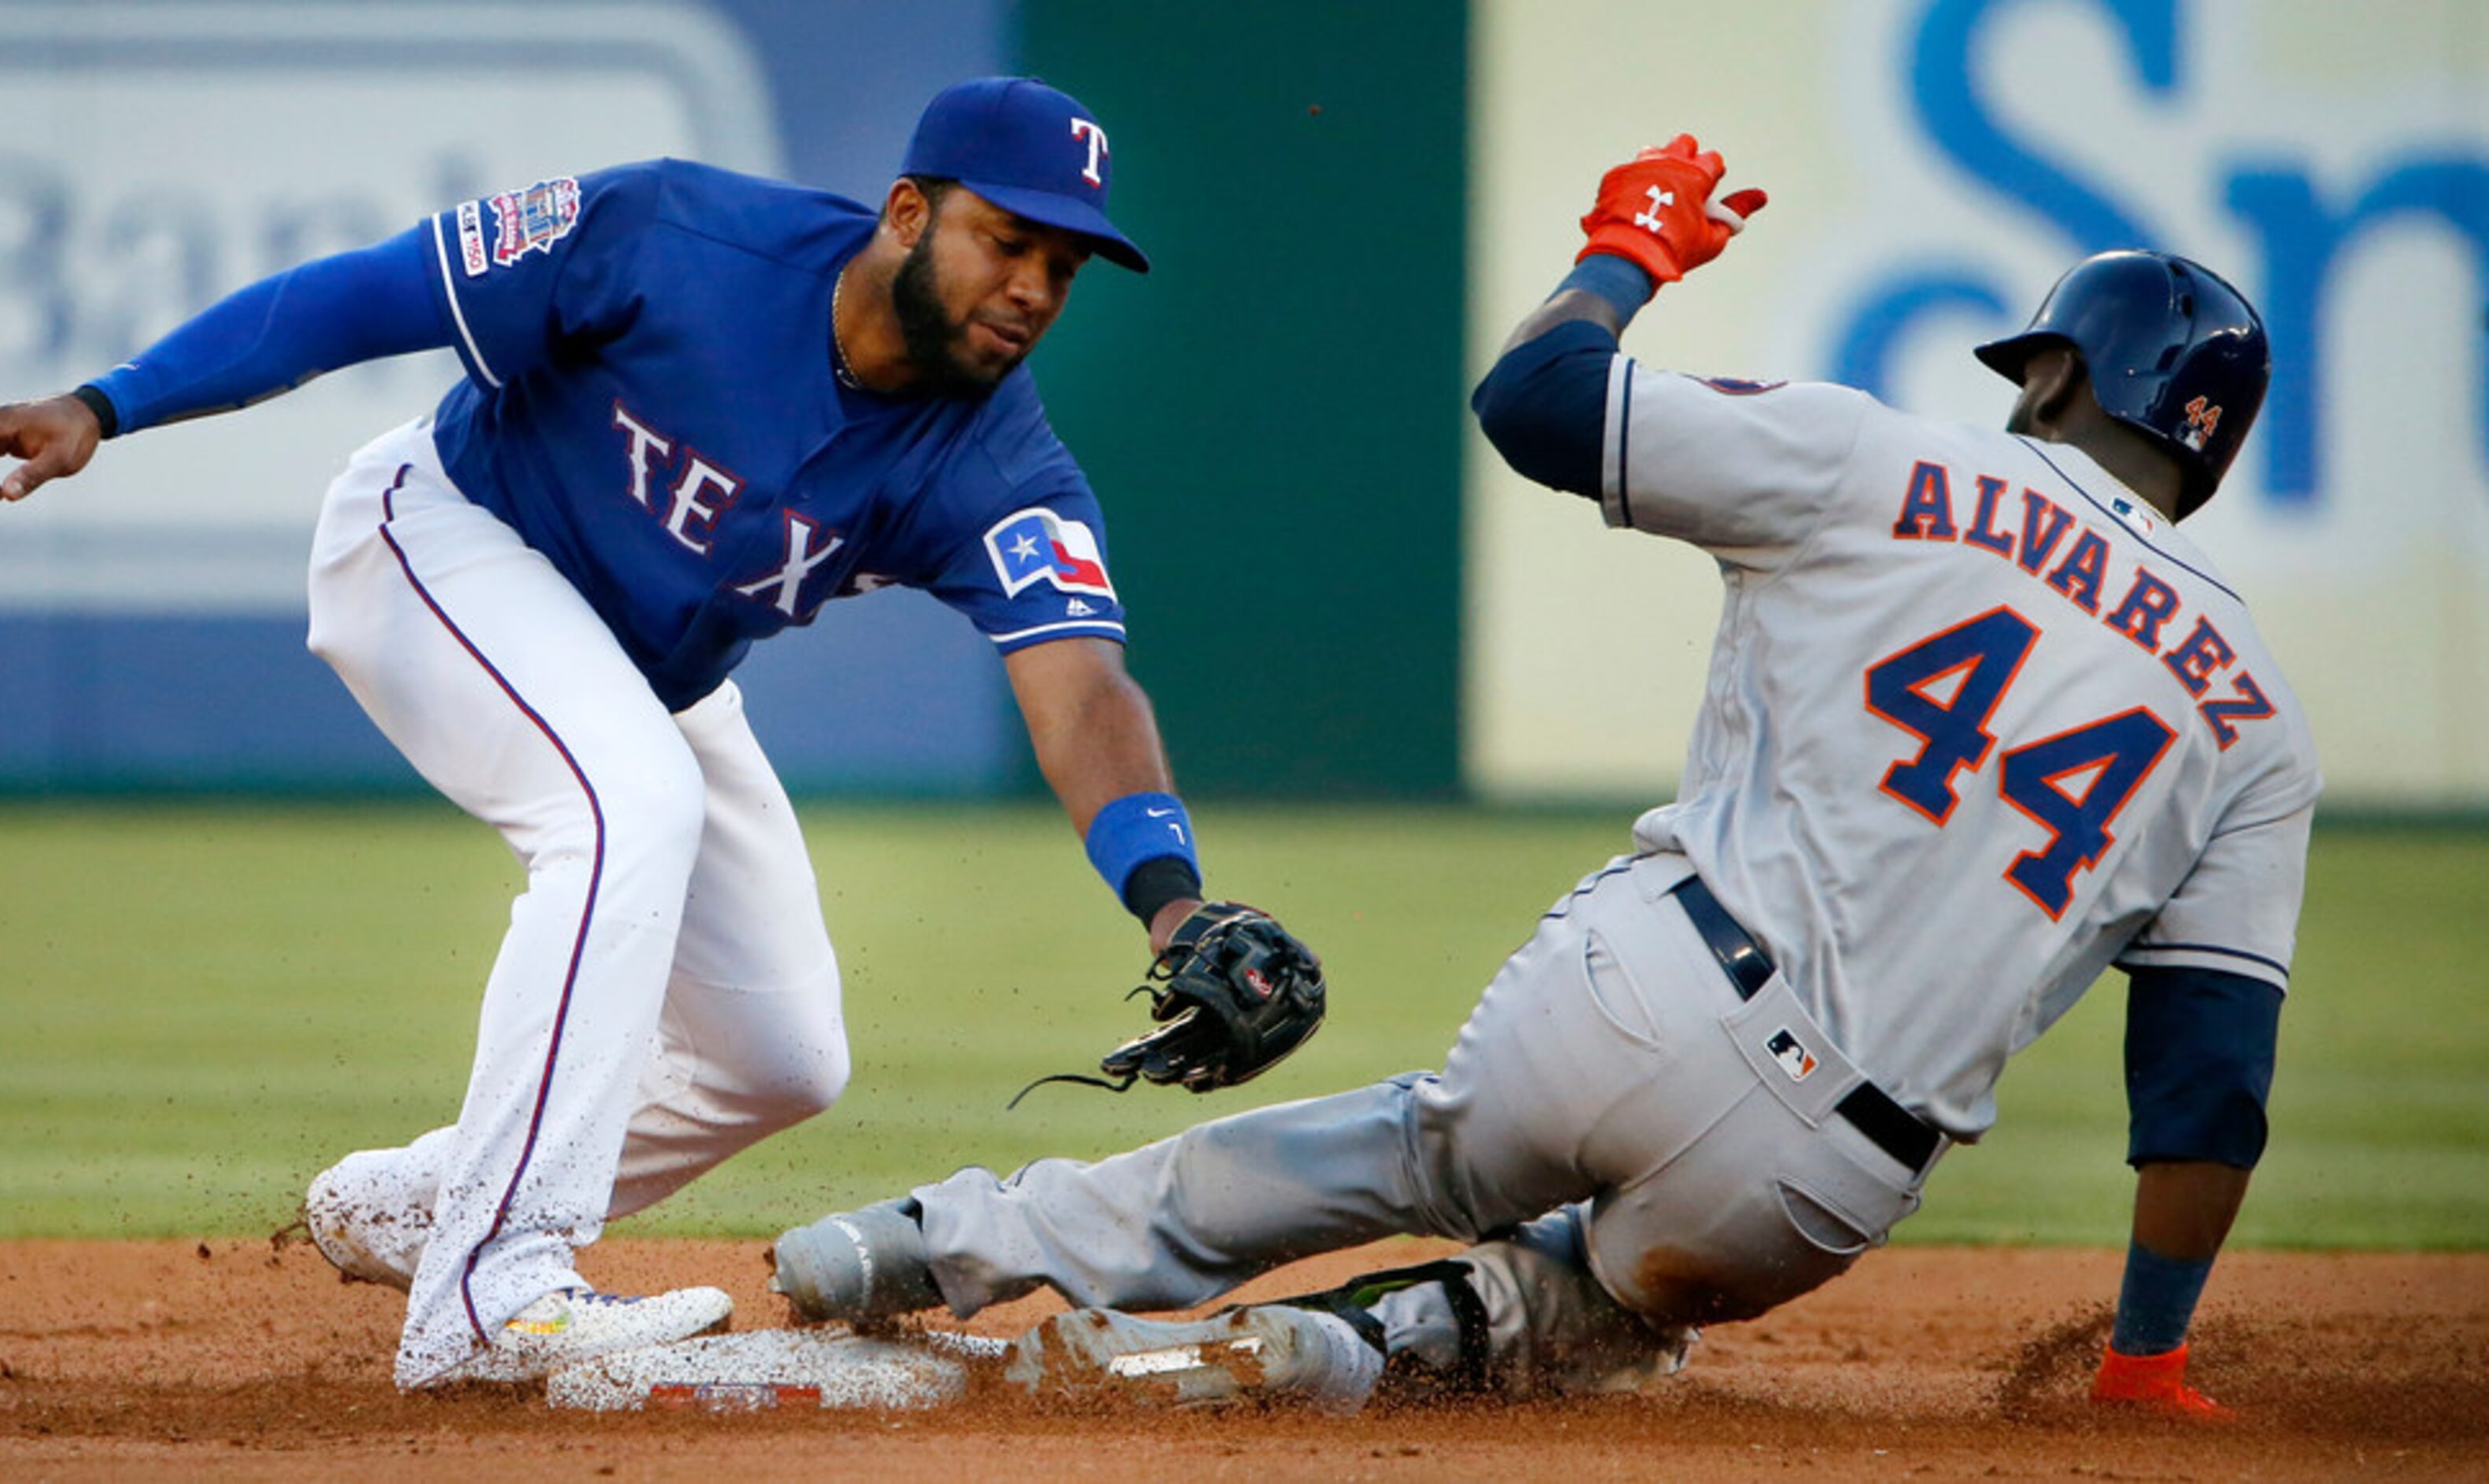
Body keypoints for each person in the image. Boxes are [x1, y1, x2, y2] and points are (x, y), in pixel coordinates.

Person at [771, 134, 2313, 1421]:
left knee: (1411, 1147)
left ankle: (916, 1242)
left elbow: (1537, 403)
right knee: (1607, 1307)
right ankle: (1351, 1351)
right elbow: (2204, 1082)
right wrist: (2144, 1354)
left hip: (1637, 989)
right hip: (1827, 1172)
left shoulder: (1888, 460)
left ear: (2049, 376)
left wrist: (1624, 255)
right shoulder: (2251, 710)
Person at [0, 77, 1322, 1390]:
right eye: (1007, 239)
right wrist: (107, 403)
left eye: (1063, 269)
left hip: (640, 672)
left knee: (783, 1055)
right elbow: (366, 294)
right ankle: (492, 1286)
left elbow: (1082, 687)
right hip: (440, 536)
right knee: (624, 806)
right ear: (910, 213)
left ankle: (427, 1206)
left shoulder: (999, 458)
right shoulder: (676, 232)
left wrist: (1171, 905)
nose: (1031, 289)